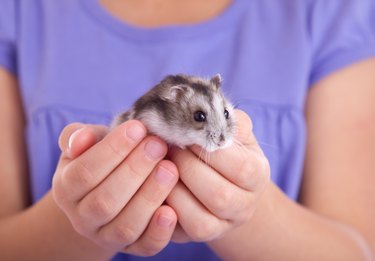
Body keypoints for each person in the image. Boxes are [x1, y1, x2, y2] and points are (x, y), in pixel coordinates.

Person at [1, 0, 375, 260]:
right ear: (172, 101)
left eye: (225, 117)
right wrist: (82, 213)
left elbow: (359, 252)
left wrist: (247, 211)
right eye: (200, 120)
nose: (218, 134)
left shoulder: (331, 11)